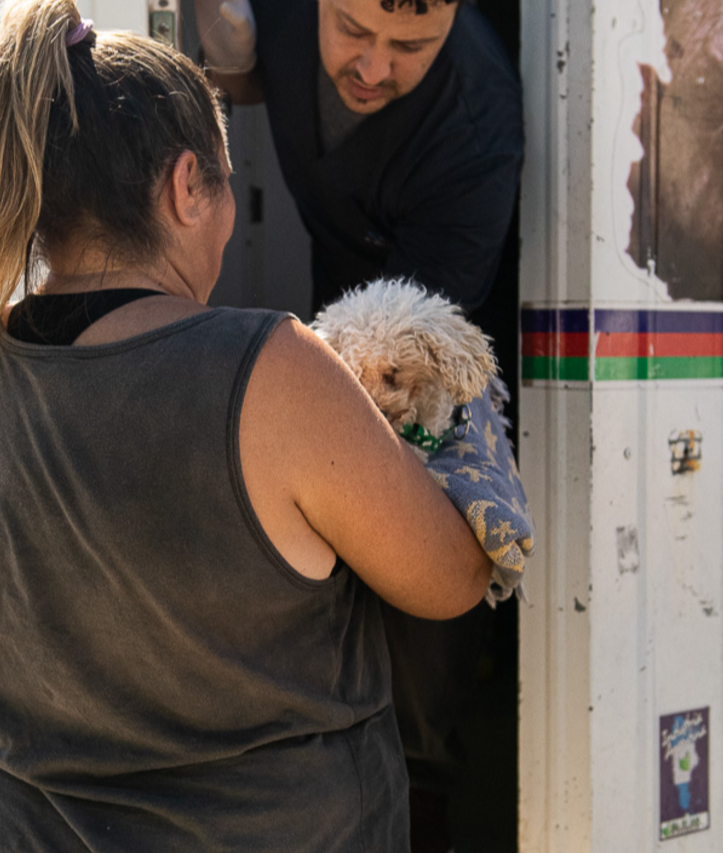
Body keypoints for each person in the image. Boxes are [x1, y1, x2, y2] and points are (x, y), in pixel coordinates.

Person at [0, 1, 491, 849]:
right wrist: (456, 424)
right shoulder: (271, 368)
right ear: (185, 187)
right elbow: (451, 577)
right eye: (224, 183)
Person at [194, 0, 525, 848]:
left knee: (424, 613)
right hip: (333, 303)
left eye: (411, 46)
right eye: (352, 30)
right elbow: (237, 64)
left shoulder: (478, 125)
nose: (375, 68)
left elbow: (417, 356)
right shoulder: (275, 13)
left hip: (425, 350)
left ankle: (425, 796)